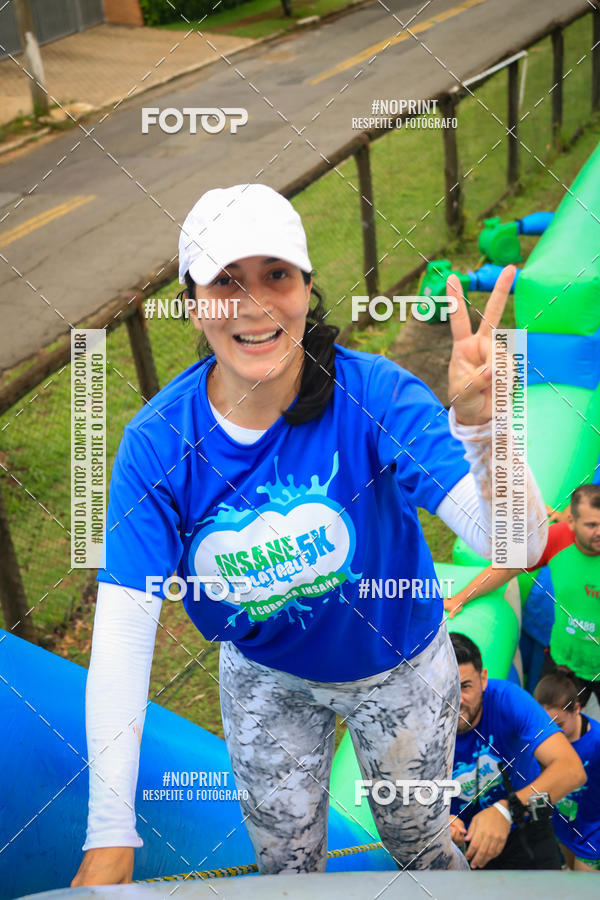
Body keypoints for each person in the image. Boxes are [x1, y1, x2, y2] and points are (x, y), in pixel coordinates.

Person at [71, 184, 549, 886]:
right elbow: (121, 637)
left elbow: (517, 543)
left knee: (420, 843)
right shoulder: (157, 446)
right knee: (285, 865)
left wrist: (484, 428)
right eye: (226, 281)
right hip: (268, 677)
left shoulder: (375, 395)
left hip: (401, 668)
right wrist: (109, 830)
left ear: (306, 287)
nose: (255, 304)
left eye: (277, 276)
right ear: (193, 301)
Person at [444, 484, 600, 704]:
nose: (599, 532)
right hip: (565, 661)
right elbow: (507, 568)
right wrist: (460, 598)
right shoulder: (557, 539)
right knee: (550, 724)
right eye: (592, 525)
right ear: (572, 523)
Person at [449, 632, 586, 870]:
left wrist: (507, 810)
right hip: (460, 839)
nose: (456, 700)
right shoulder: (419, 717)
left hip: (526, 821)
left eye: (465, 686)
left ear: (483, 679)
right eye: (447, 688)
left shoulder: (509, 700)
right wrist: (436, 821)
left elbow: (572, 770)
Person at [534, 671, 600, 871]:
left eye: (559, 724)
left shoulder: (596, 743)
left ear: (578, 708)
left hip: (593, 834)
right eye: (545, 725)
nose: (553, 733)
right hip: (563, 828)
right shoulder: (540, 737)